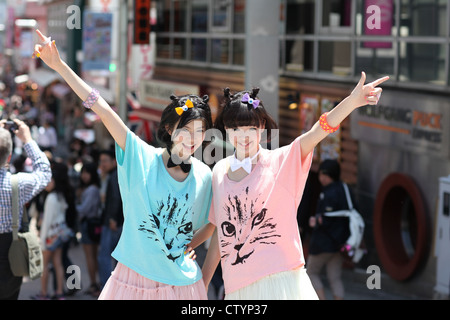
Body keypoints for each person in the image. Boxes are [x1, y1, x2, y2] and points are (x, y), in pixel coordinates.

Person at [34, 29, 214, 300]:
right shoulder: (140, 155)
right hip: (133, 280)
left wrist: (190, 244)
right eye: (186, 131)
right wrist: (59, 66)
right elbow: (103, 110)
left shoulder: (205, 174)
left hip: (183, 285)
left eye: (200, 133)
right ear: (168, 128)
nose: (193, 140)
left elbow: (213, 220)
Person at [199, 72, 389, 299]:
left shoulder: (282, 161)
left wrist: (352, 101)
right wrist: (202, 284)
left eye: (251, 128)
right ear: (226, 131)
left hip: (283, 284)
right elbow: (221, 232)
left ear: (261, 127)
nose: (244, 136)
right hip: (237, 289)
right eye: (236, 129)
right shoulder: (219, 171)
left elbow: (318, 131)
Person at [0, 119, 51, 300]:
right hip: (9, 257)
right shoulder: (18, 184)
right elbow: (44, 172)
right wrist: (28, 139)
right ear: (9, 157)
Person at [307, 159, 351, 300]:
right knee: (335, 278)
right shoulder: (345, 188)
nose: (321, 178)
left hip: (323, 243)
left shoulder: (329, 193)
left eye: (323, 175)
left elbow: (326, 219)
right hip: (341, 243)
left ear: (329, 175)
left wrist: (317, 221)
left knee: (311, 273)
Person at [33, 162, 74, 300]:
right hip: (60, 234)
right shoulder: (60, 195)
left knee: (45, 266)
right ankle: (59, 292)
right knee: (58, 264)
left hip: (50, 235)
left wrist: (42, 240)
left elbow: (47, 222)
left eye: (50, 180)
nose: (47, 183)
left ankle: (43, 293)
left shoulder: (50, 197)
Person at [97, 149, 123, 289]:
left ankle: (107, 289)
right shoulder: (112, 174)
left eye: (105, 161)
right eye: (101, 161)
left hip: (113, 222)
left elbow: (115, 198)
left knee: (105, 257)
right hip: (116, 221)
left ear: (114, 161)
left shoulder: (114, 175)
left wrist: (112, 218)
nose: (102, 164)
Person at [76, 161, 101, 297]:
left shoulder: (91, 189)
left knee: (90, 256)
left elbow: (84, 209)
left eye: (87, 172)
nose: (84, 176)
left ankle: (93, 284)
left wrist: (72, 209)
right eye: (83, 172)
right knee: (93, 256)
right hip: (92, 224)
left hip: (88, 224)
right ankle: (95, 283)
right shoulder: (92, 188)